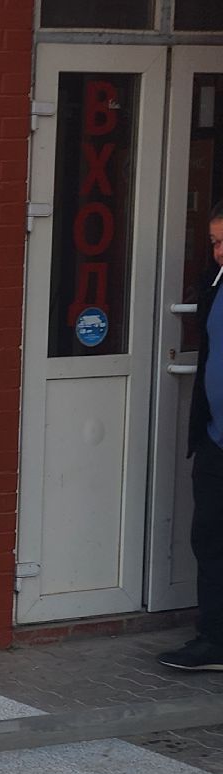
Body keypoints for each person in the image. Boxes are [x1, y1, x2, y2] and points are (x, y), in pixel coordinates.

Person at [159, 202, 223, 672]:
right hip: (215, 440)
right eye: (215, 243)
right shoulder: (216, 283)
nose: (218, 253)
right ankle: (214, 639)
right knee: (209, 538)